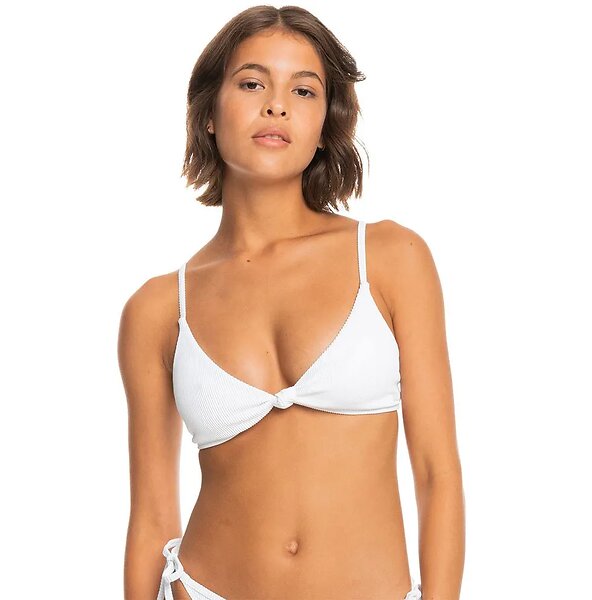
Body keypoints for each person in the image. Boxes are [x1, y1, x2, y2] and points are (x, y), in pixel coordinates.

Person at [118, 5, 465, 599]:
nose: (276, 106)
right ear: (208, 113)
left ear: (325, 123)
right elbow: (151, 515)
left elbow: (437, 473)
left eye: (303, 91)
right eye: (252, 83)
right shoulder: (157, 309)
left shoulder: (389, 258)